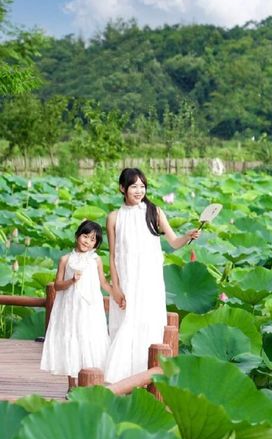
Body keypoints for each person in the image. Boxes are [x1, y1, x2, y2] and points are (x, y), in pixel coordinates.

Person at [104, 168, 200, 383]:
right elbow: (113, 256)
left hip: (150, 281)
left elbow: (174, 242)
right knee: (126, 324)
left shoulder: (154, 212)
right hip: (127, 281)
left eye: (142, 186)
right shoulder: (114, 217)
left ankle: (149, 376)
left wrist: (188, 236)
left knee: (150, 324)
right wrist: (116, 288)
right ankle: (120, 381)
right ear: (122, 188)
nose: (139, 191)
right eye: (134, 186)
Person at [40, 220, 112, 392]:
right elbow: (57, 286)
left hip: (90, 308)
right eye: (85, 236)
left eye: (93, 239)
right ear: (77, 235)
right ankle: (71, 387)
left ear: (97, 243)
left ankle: (90, 385)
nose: (87, 241)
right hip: (70, 308)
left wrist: (116, 293)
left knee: (90, 340)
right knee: (72, 341)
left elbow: (103, 283)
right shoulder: (65, 260)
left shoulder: (96, 260)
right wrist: (71, 280)